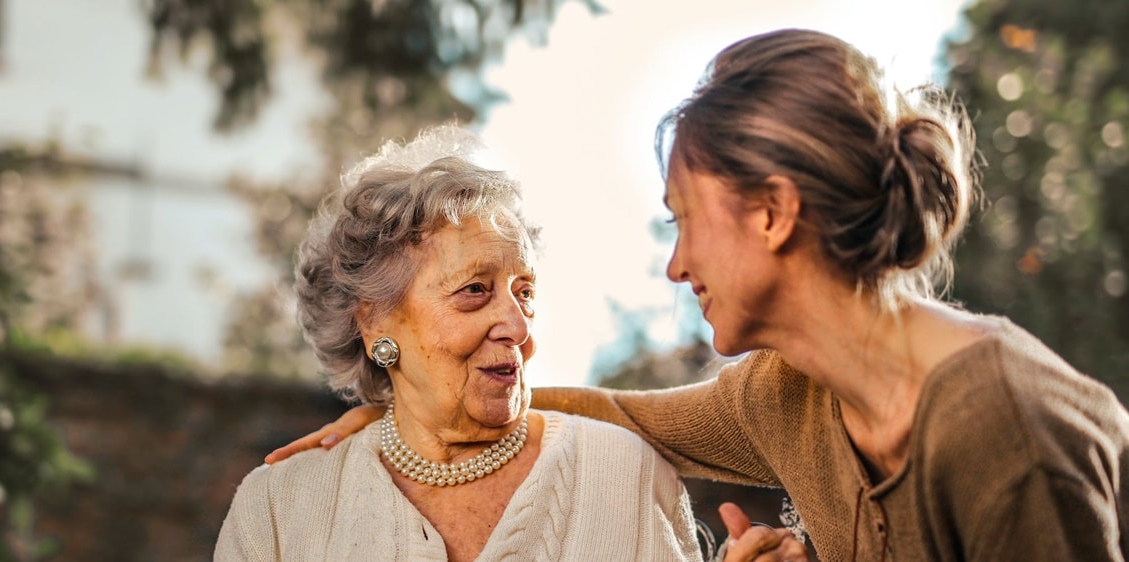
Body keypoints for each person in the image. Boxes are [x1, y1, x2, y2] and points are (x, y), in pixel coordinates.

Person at [266, 29, 1129, 561]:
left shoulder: (1003, 430)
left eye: (684, 220)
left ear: (773, 213)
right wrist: (414, 403)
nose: (677, 266)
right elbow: (624, 417)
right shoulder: (788, 393)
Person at [216, 125, 802, 561]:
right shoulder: (279, 510)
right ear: (374, 323)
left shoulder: (625, 474)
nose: (519, 328)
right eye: (474, 290)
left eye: (525, 293)